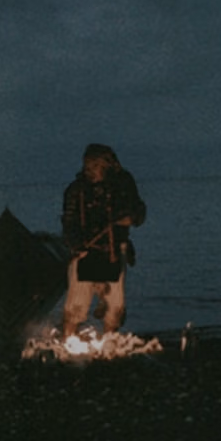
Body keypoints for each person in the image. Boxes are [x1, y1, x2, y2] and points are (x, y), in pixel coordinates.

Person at [60, 142, 147, 339]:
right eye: (87, 166)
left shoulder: (123, 183)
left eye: (94, 166)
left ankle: (109, 344)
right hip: (85, 253)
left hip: (114, 251)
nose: (89, 170)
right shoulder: (76, 190)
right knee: (75, 305)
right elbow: (69, 221)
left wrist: (130, 217)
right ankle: (67, 341)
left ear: (107, 165)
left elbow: (139, 211)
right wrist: (76, 245)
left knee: (114, 307)